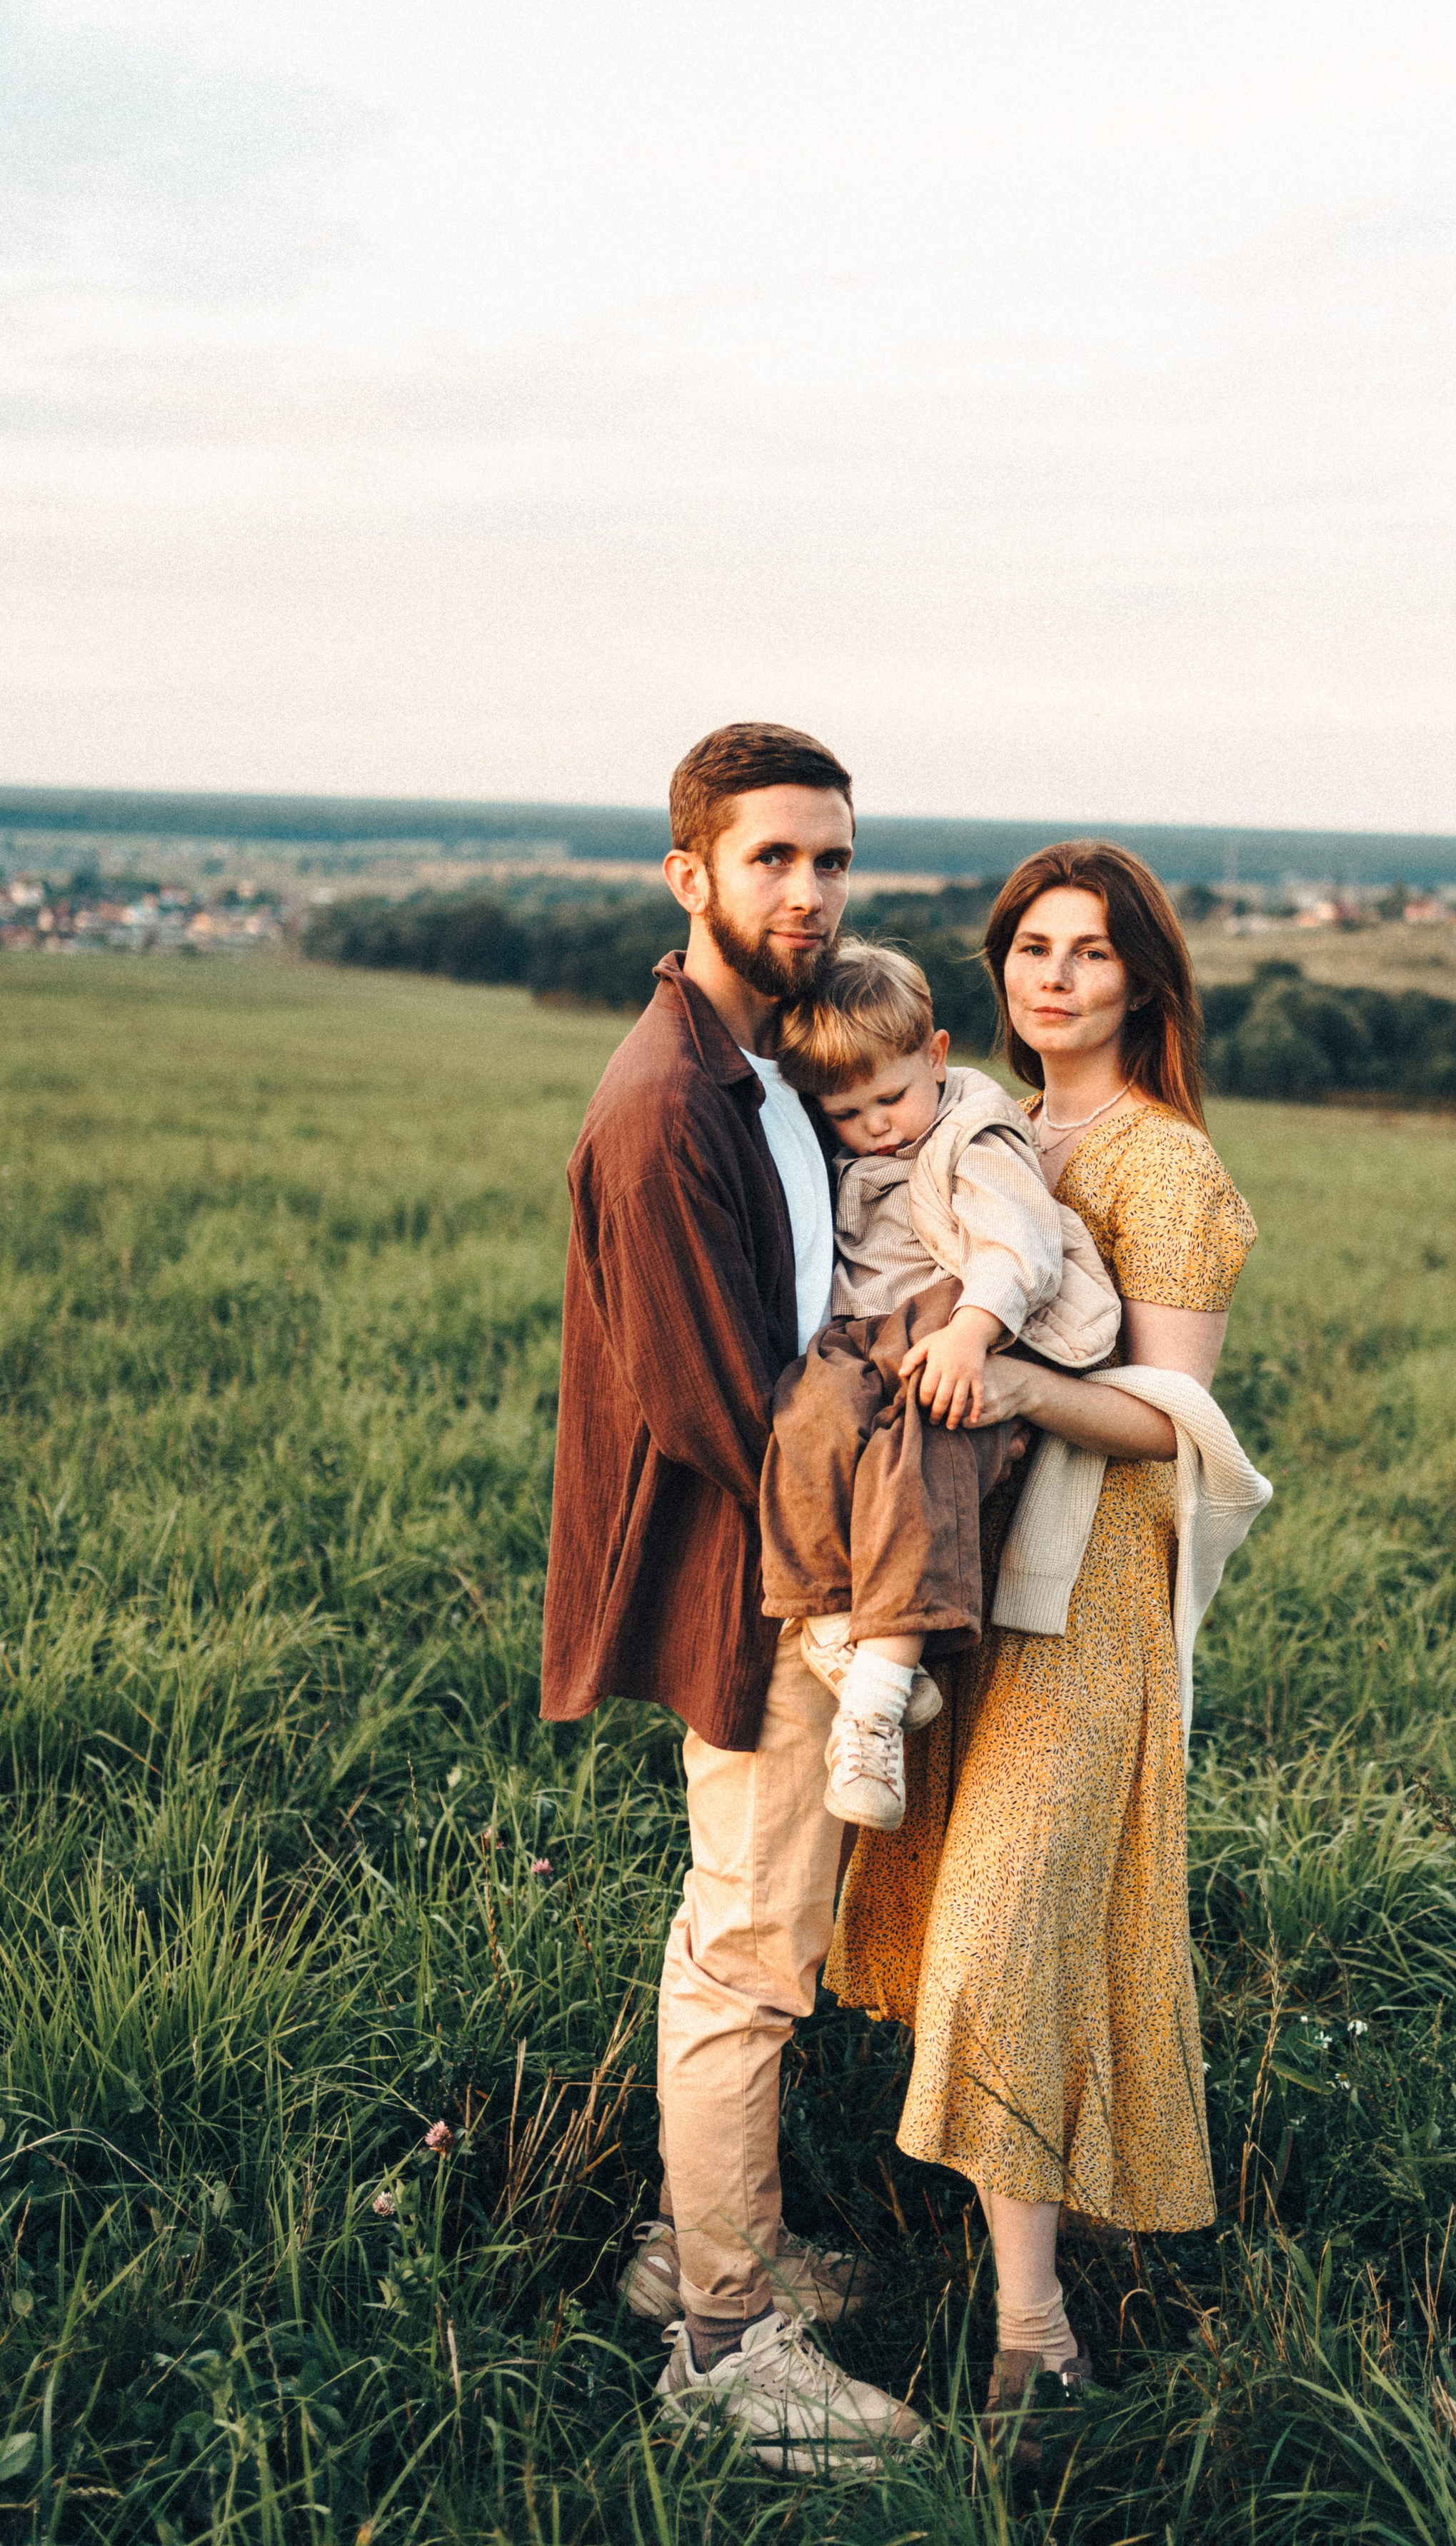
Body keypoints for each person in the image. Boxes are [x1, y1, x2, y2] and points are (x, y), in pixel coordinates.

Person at [824, 841, 1258, 2446]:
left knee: (1009, 1934)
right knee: (952, 1912)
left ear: (1141, 979)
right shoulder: (960, 1113)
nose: (1050, 975)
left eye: (1086, 951)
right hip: (951, 1572)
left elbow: (1172, 1421)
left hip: (1080, 1607)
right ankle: (958, 2256)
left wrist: (1007, 1381)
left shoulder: (1165, 1168)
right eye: (1027, 946)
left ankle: (1033, 2334)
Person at [540, 722, 926, 2470]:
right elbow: (725, 1411)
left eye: (831, 858)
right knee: (748, 1953)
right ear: (687, 872)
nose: (809, 891)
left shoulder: (757, 1064)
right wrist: (851, 1593)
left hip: (803, 1567)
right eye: (772, 857)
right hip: (766, 1585)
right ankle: (720, 2337)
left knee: (748, 1932)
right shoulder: (660, 1104)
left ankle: (703, 2244)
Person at [760, 939, 1120, 1831]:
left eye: (891, 1096)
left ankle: (877, 1706)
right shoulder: (849, 1139)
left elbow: (1020, 1247)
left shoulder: (972, 1131)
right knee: (807, 1416)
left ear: (935, 1055)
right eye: (849, 1114)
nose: (879, 1125)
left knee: (914, 1452)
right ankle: (833, 1626)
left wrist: (972, 1332)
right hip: (862, 1335)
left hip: (953, 1318)